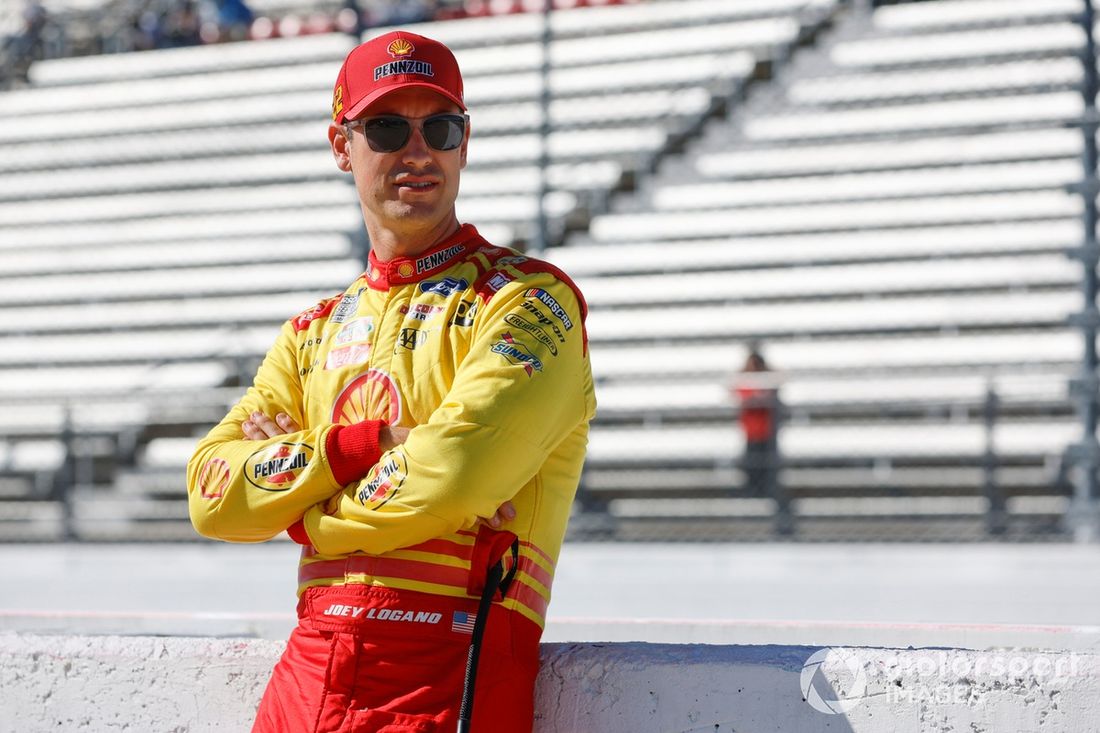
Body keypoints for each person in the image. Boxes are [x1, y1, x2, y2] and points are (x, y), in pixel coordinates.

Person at [186, 30, 595, 733]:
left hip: (447, 672)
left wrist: (302, 516)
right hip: (302, 683)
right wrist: (359, 446)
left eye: (440, 128)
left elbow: (453, 477)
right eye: (386, 128)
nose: (418, 151)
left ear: (464, 143)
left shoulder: (529, 302)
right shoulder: (311, 330)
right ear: (341, 146)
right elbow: (213, 493)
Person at [731, 345, 787, 531]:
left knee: (768, 471)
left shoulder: (767, 379)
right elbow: (746, 398)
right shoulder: (744, 379)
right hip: (752, 434)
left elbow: (775, 386)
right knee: (751, 470)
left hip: (767, 434)